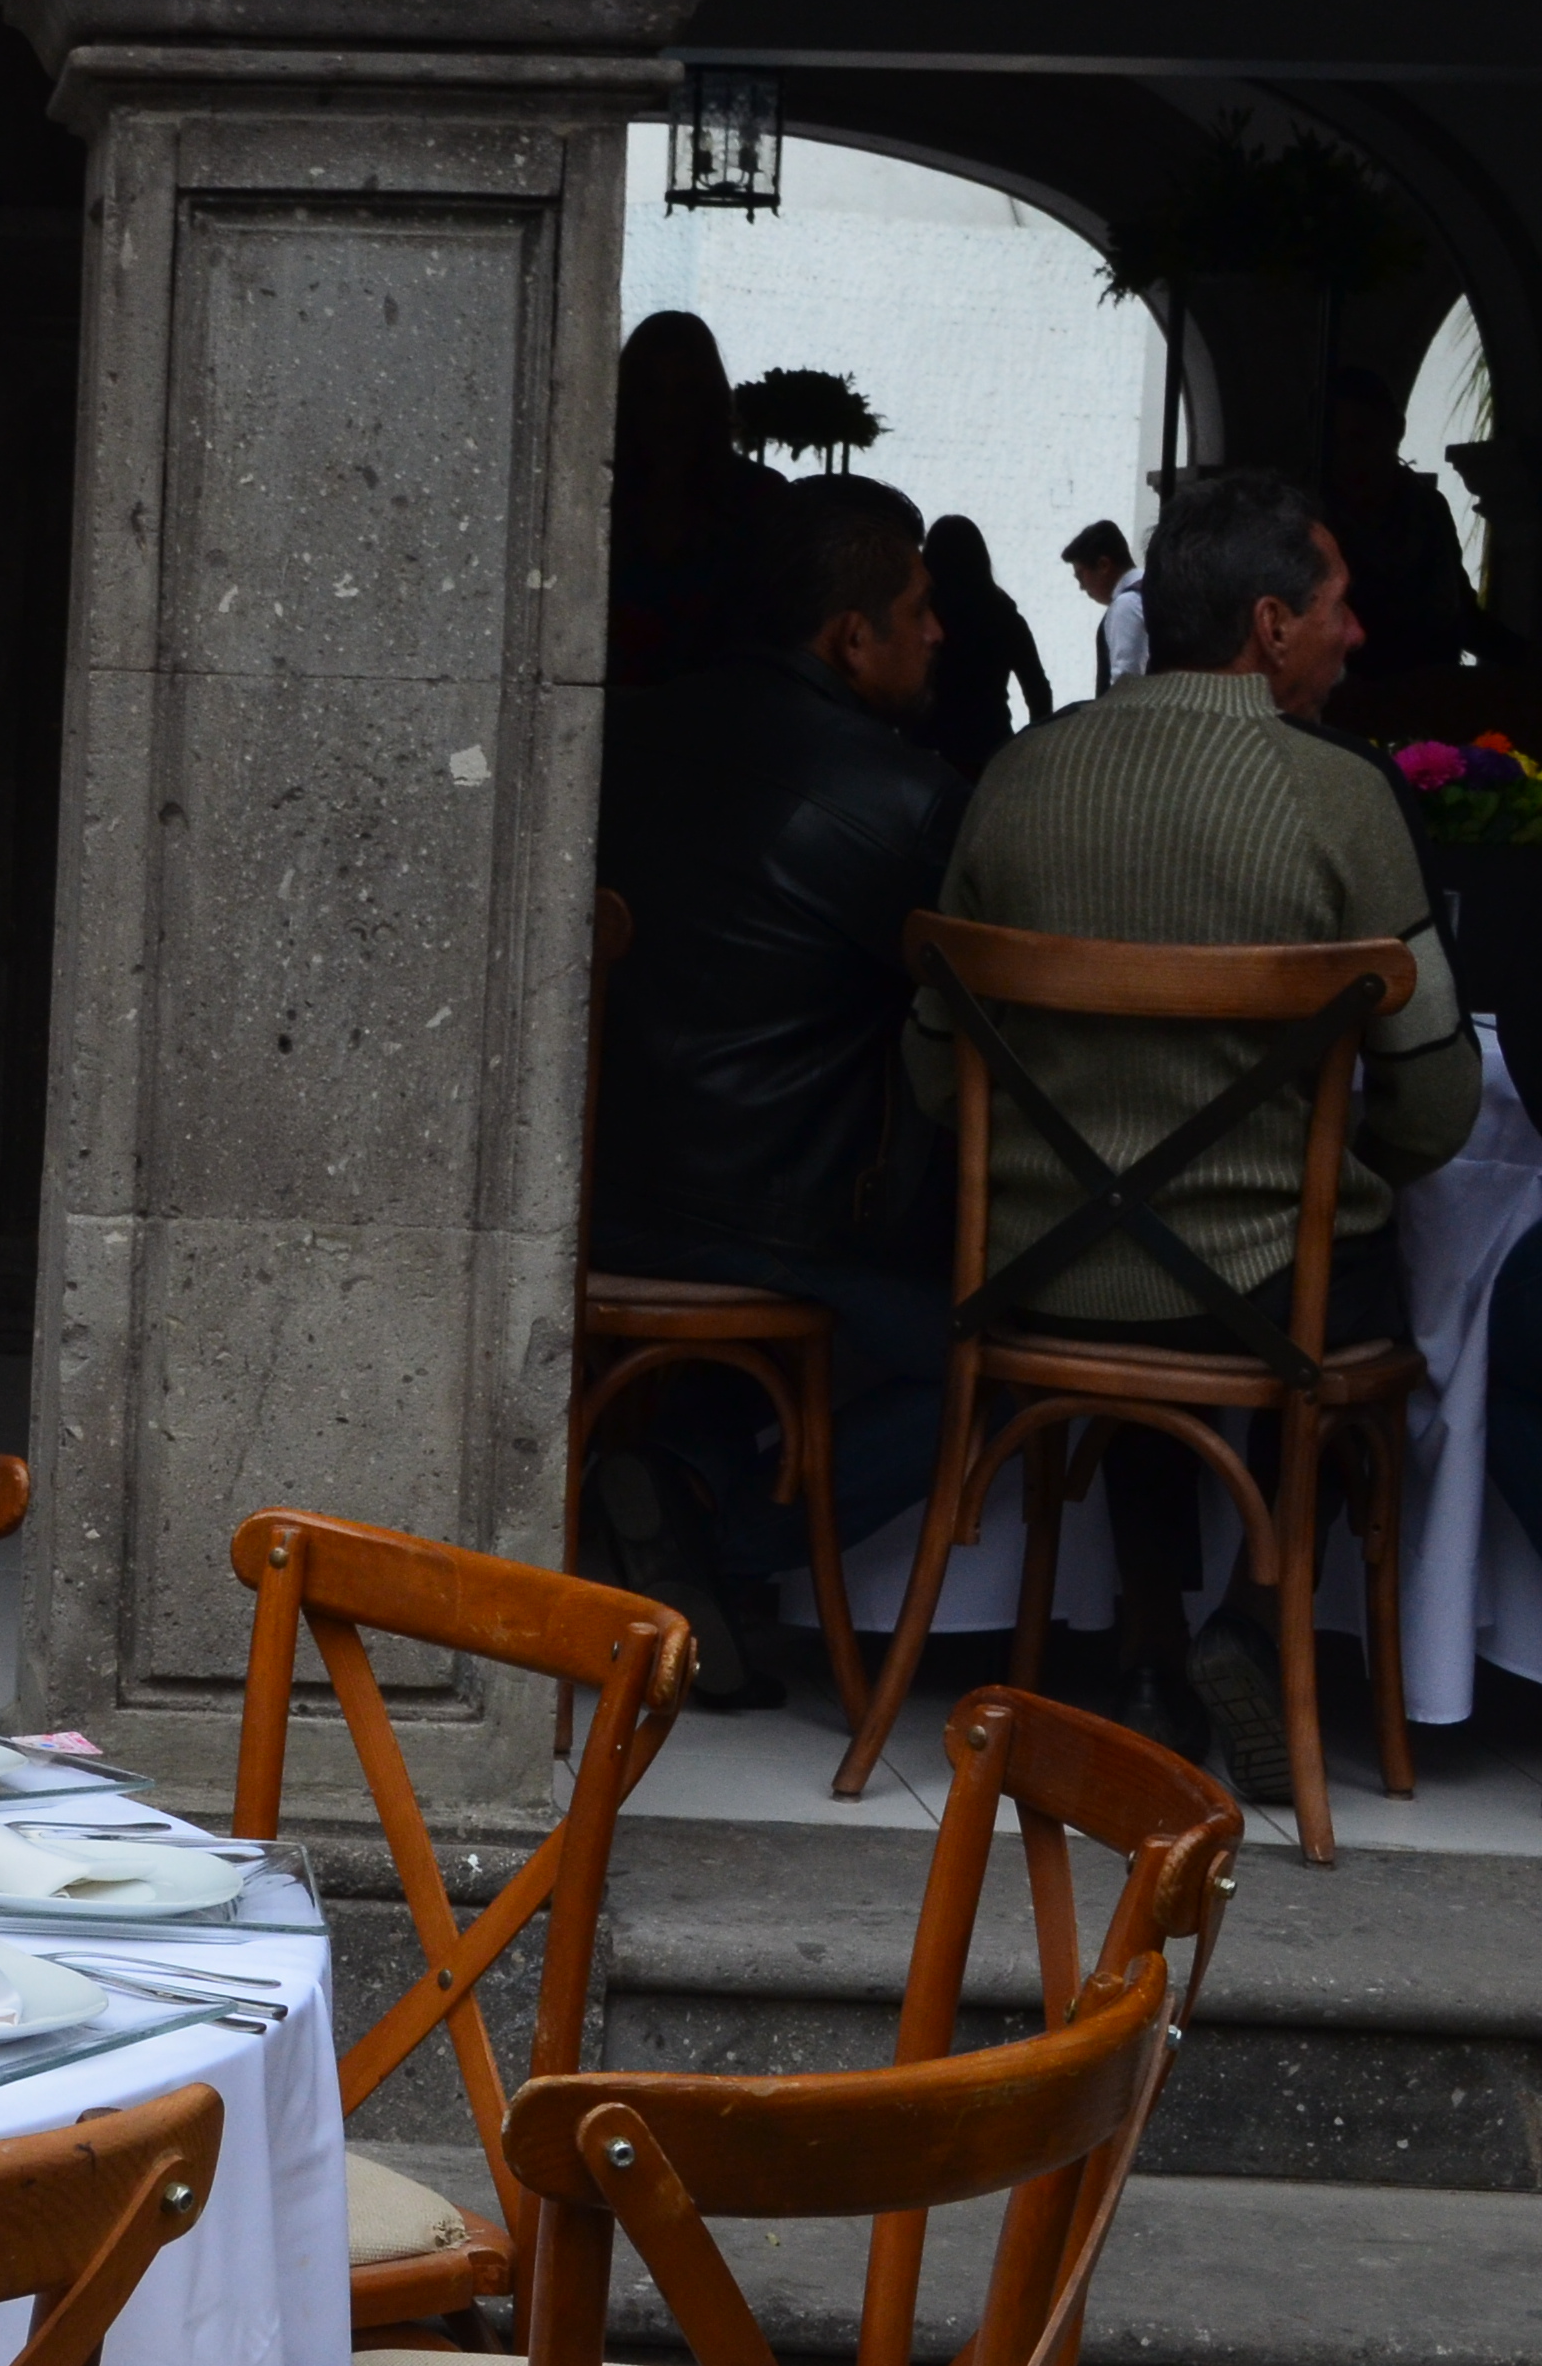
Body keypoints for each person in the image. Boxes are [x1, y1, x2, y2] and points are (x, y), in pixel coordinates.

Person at [910, 467, 1476, 1793]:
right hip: (1263, 1295)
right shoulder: (1346, 798)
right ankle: (1249, 1626)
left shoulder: (1015, 774)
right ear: (1271, 626)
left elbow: (936, 1078)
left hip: (1033, 1276)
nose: (1360, 635)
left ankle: (1154, 1652)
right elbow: (1439, 1099)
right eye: (1340, 609)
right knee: (1327, 1282)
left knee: (1148, 1276)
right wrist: (1338, 1168)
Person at [585, 472, 967, 1706]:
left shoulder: (621, 735)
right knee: (991, 1354)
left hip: (607, 1189)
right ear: (848, 635)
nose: (937, 632)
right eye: (917, 608)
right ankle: (718, 1535)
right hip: (785, 1210)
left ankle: (678, 1484)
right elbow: (958, 1027)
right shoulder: (905, 798)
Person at [607, 310, 794, 689]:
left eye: (686, 393)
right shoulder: (595, 497)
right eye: (652, 392)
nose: (668, 414)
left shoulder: (760, 500)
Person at [1327, 364, 1499, 686]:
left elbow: (1462, 618)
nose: (1348, 456)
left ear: (1396, 431)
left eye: (1360, 439)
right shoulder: (1310, 520)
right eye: (1335, 443)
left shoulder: (1429, 511)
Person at [917, 514, 1053, 775]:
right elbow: (1037, 689)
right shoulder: (1004, 616)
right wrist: (1033, 749)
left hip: (928, 751)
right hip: (990, 748)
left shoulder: (922, 619)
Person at [1064, 520, 1144, 697]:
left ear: (1103, 565)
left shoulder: (1126, 605)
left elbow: (1125, 681)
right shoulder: (1152, 588)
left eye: (1081, 576)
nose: (1082, 587)